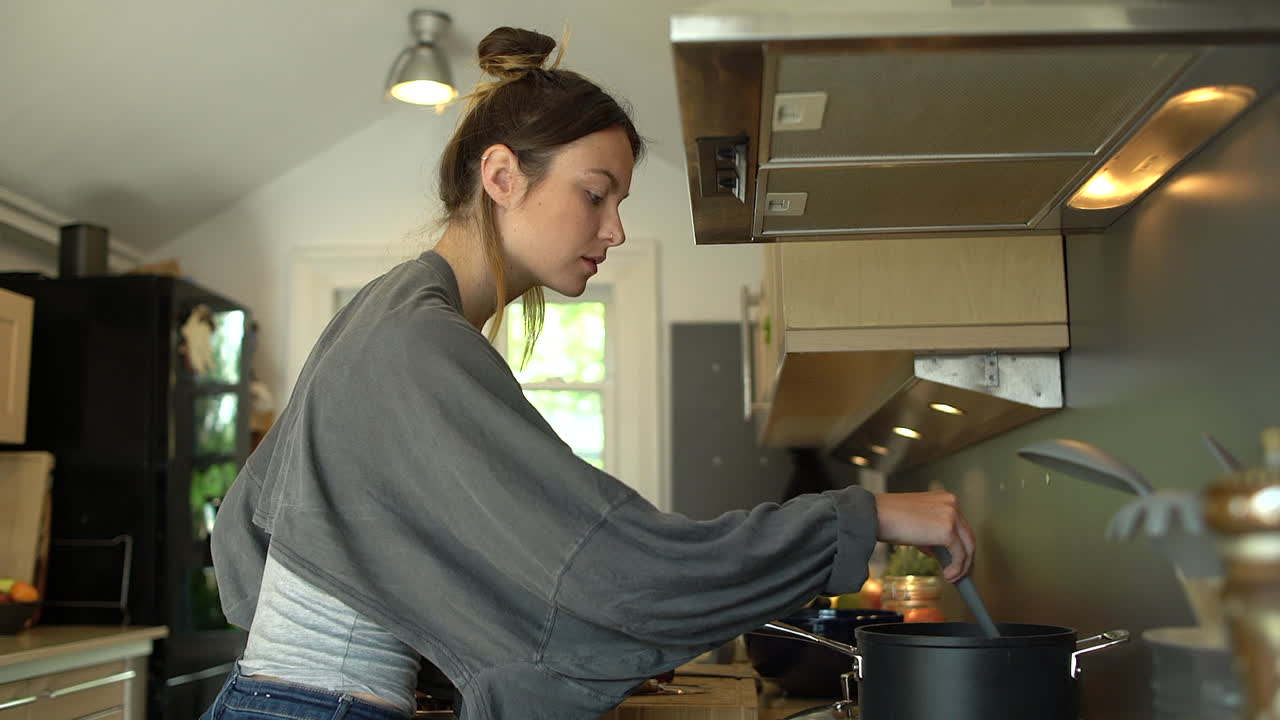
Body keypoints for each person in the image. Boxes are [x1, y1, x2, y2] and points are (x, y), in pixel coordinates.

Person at [200, 26, 976, 720]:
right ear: (501, 177)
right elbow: (622, 566)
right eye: (595, 195)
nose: (616, 228)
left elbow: (249, 528)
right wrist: (865, 517)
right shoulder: (420, 342)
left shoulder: (387, 311)